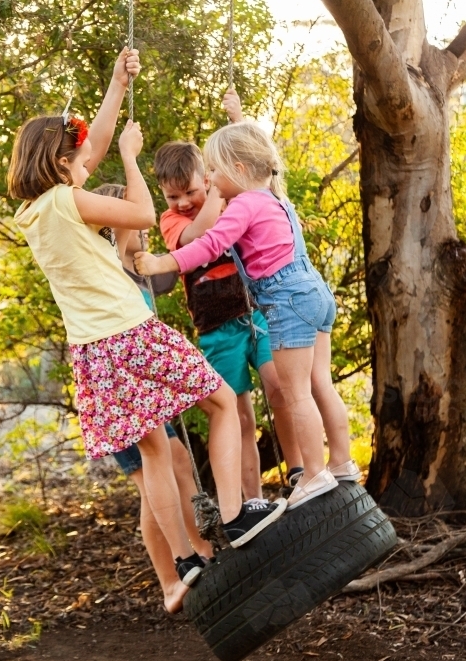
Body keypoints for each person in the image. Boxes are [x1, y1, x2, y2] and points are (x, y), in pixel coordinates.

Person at [7, 47, 256, 613]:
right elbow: (144, 215)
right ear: (61, 161)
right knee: (220, 402)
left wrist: (118, 85)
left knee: (155, 456)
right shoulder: (69, 201)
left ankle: (185, 563)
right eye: (79, 153)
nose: (87, 155)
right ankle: (238, 514)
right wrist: (132, 158)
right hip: (130, 333)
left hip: (93, 353)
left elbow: (87, 144)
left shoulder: (35, 210)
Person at [134, 120, 358, 510]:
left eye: (214, 172)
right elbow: (247, 158)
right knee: (320, 383)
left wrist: (161, 264)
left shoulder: (243, 204)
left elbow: (211, 244)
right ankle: (342, 463)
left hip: (284, 301)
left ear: (237, 169)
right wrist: (237, 123)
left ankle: (314, 473)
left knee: (295, 392)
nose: (212, 179)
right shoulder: (276, 196)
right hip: (312, 290)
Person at [153, 90, 305, 500]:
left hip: (254, 312)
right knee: (239, 415)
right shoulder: (174, 220)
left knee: (279, 385)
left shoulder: (230, 194)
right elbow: (193, 238)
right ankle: (252, 496)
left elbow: (253, 165)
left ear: (207, 177)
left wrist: (238, 119)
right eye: (173, 196)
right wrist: (213, 198)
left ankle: (298, 468)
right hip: (217, 330)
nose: (183, 202)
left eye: (190, 191)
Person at [91, 183, 214, 606]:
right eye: (133, 221)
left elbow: (171, 268)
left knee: (177, 460)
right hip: (117, 394)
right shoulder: (107, 270)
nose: (144, 229)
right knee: (150, 481)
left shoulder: (137, 271)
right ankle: (168, 582)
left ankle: (202, 551)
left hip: (140, 393)